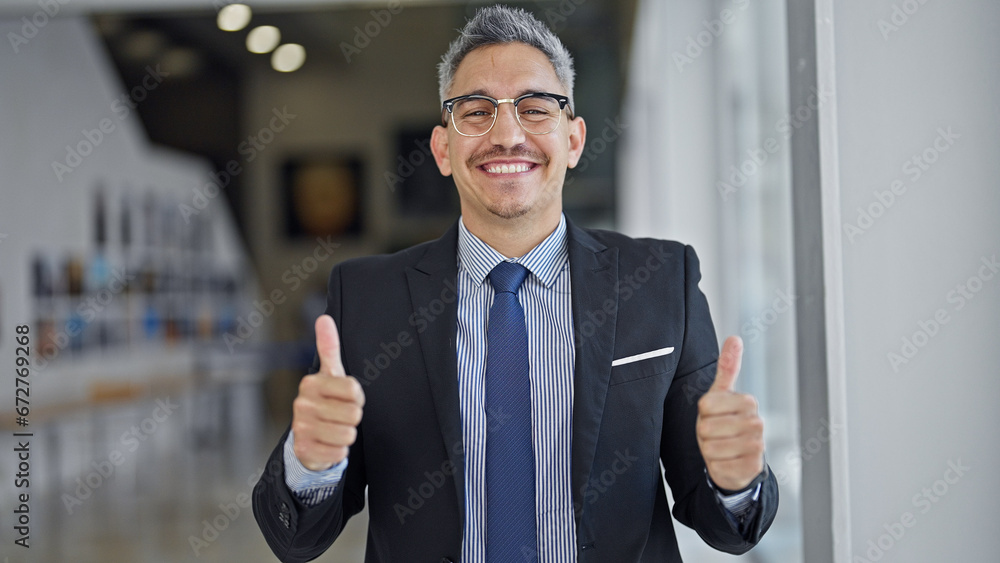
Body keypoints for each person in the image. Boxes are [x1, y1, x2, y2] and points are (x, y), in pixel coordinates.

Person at [253, 5, 778, 562]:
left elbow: (722, 524)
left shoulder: (658, 283)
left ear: (573, 140)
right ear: (442, 149)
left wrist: (737, 480)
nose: (507, 134)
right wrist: (310, 465)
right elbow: (297, 540)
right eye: (476, 111)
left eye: (535, 108)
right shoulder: (367, 300)